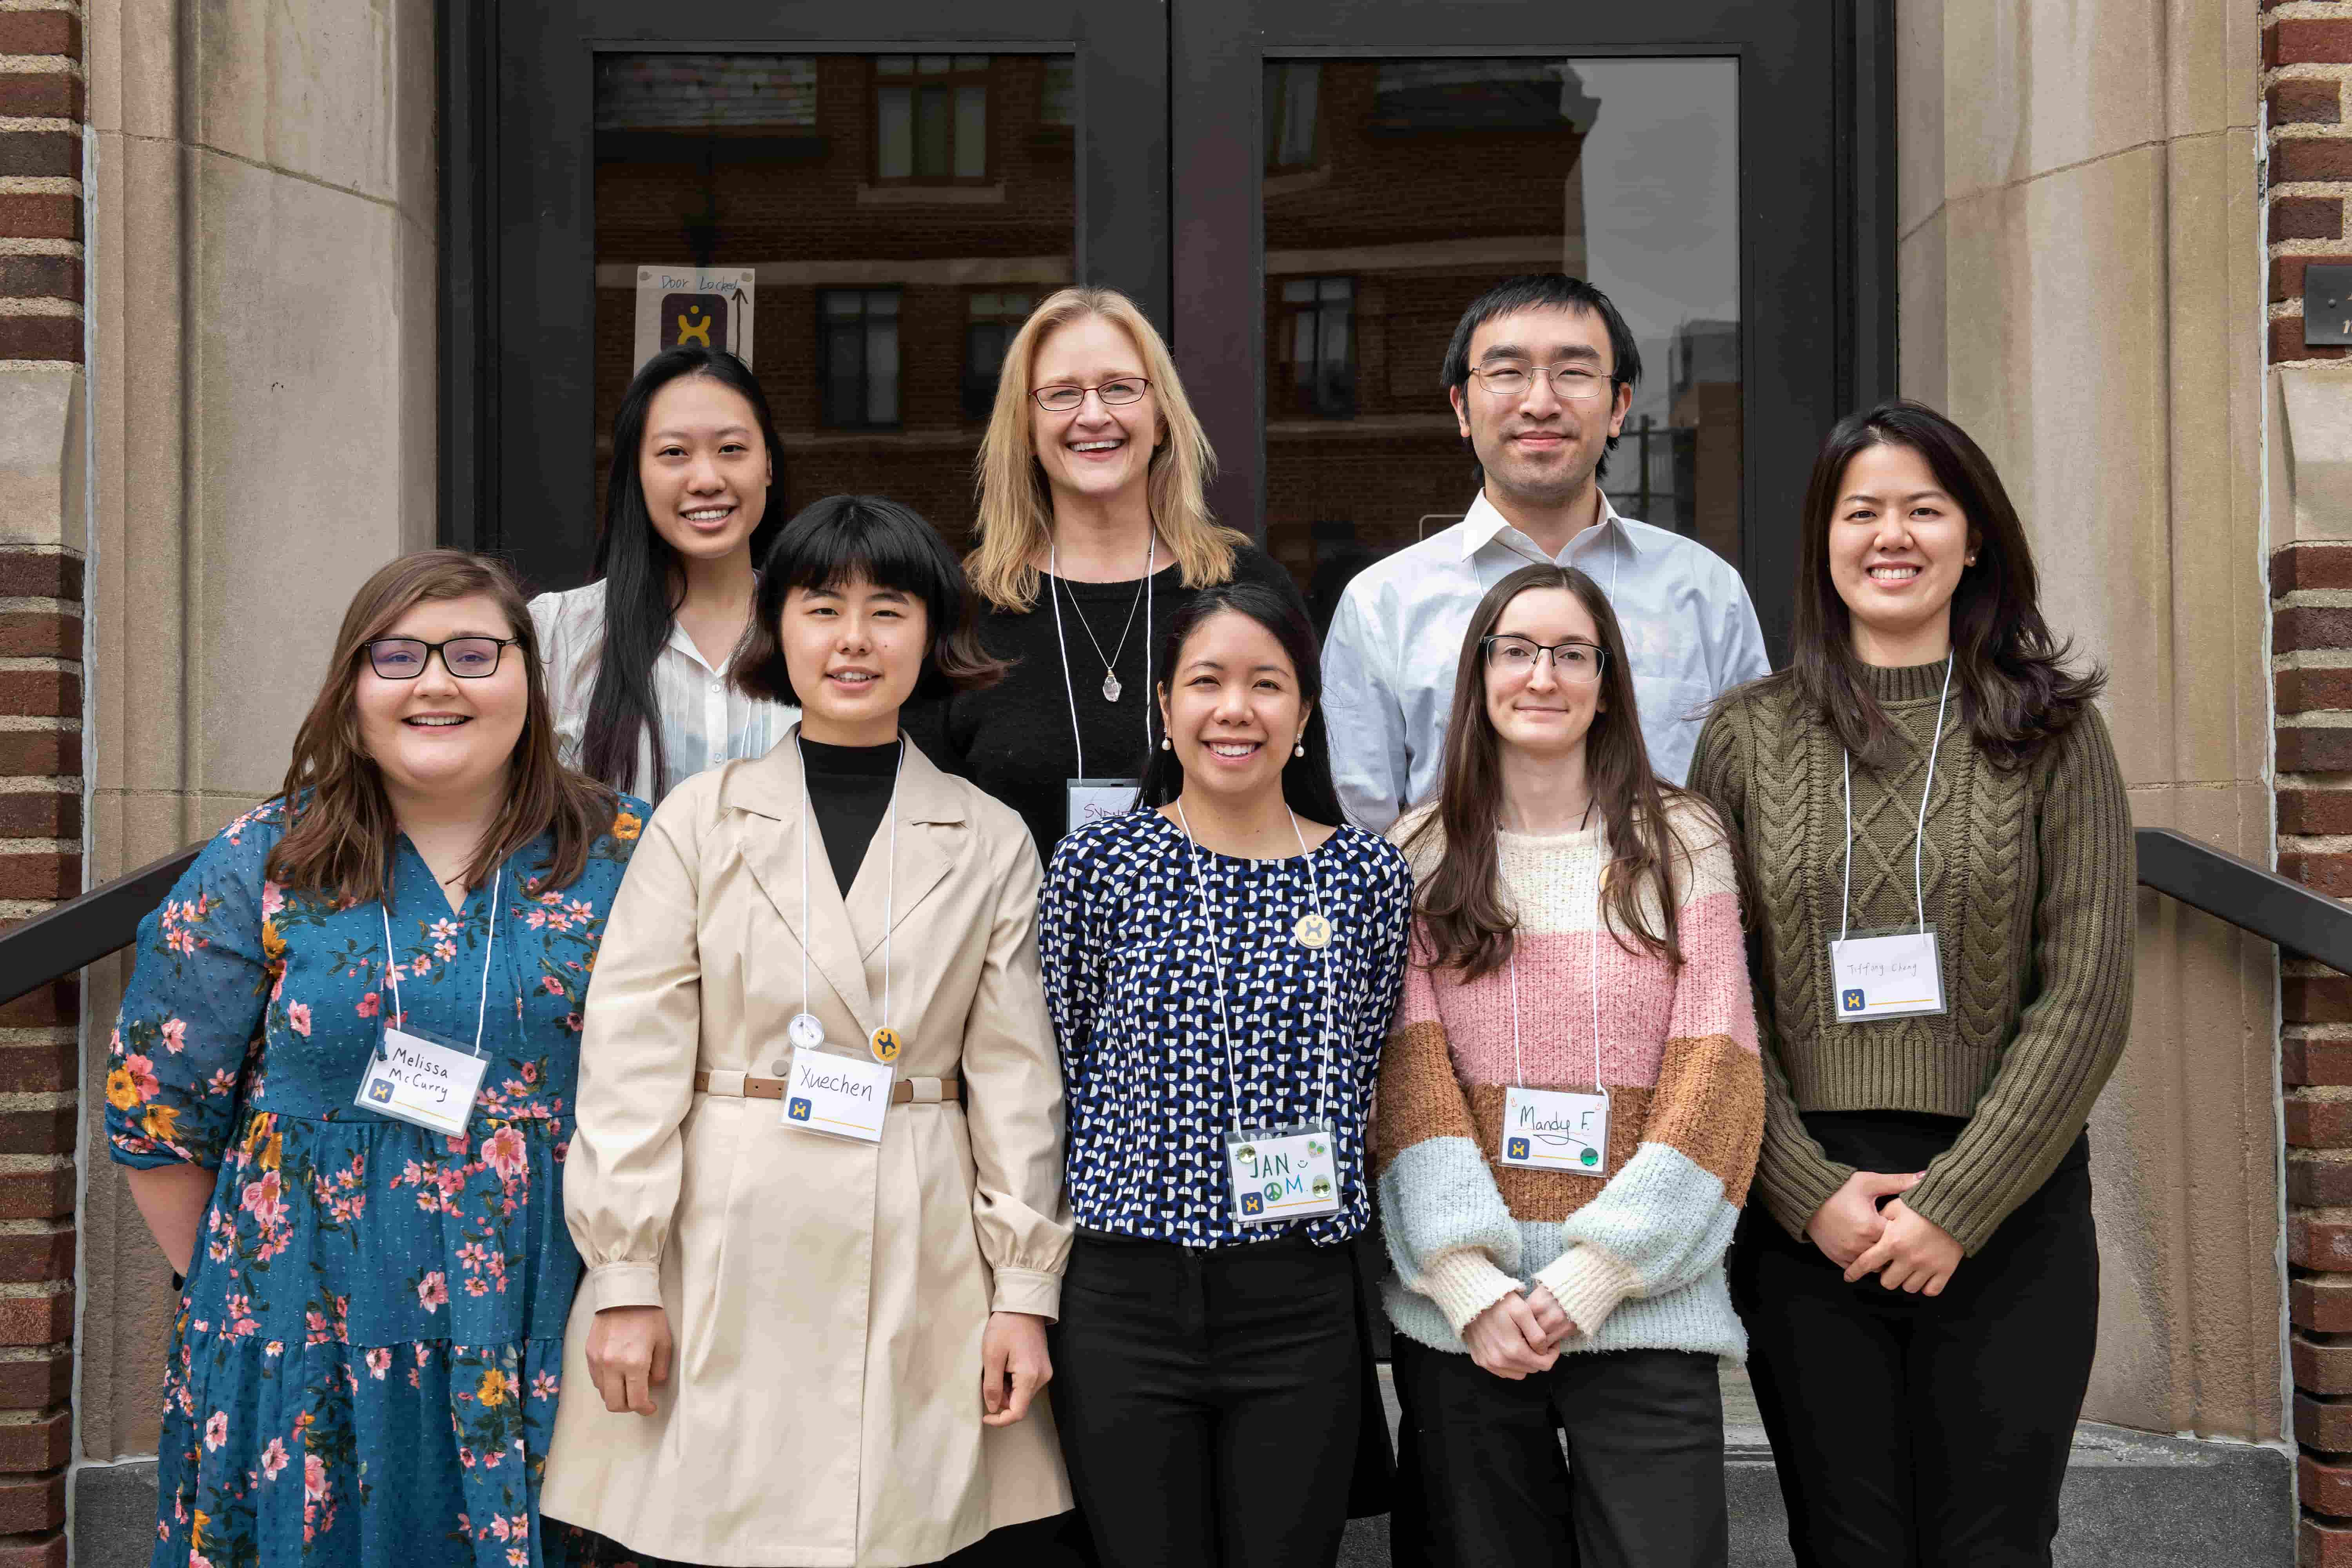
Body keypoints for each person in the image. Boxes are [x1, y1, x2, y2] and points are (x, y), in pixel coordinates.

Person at [542, 495, 1073, 1568]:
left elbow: (1018, 1084)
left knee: (897, 1532)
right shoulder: (701, 818)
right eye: (822, 607)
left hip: (919, 1235)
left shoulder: (988, 839)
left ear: (933, 634)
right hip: (722, 1231)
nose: (855, 640)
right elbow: (632, 1060)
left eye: (889, 610)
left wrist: (1023, 1293)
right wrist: (627, 1276)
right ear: (776, 627)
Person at [104, 551, 645, 1567]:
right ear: (352, 689)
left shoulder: (619, 855)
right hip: (298, 1340)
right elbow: (156, 1118)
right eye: (398, 656)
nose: (437, 681)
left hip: (537, 1330)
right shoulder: (265, 861)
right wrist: (250, 1296)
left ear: (529, 681)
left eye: (474, 654)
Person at [1688, 401, 2132, 1566]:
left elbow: (2083, 990)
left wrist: (1956, 1203)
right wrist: (1802, 1192)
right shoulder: (1743, 737)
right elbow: (1709, 1001)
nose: (1891, 535)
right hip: (1803, 1222)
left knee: (1993, 1544)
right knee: (1845, 1543)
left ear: (1973, 537)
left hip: (2008, 1213)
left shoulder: (2053, 733)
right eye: (1861, 510)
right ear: (1822, 540)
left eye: (1923, 509)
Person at [1374, 561, 1763, 1566]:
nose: (1541, 675)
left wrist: (1597, 1274)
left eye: (1570, 653)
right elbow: (1406, 1088)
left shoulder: (1682, 841)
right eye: (1516, 650)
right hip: (1468, 1327)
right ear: (1479, 674)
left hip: (1646, 1311)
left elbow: (1716, 1074)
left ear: (1606, 680)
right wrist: (1465, 1283)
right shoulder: (1416, 854)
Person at [1038, 582, 1413, 1568]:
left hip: (1298, 1300)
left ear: (1305, 711)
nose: (1234, 709)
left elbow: (1371, 1053)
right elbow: (1068, 1054)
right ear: (1164, 705)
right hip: (1126, 1295)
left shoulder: (1367, 877)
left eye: (1266, 683)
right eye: (1206, 681)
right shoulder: (1098, 864)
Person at [1321, 274, 1771, 829]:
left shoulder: (1706, 591)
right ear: (1461, 407)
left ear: (1619, 406)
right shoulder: (1382, 605)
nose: (1540, 402)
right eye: (1507, 373)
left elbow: (1752, 810)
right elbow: (1364, 835)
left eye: (1574, 374)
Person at [909, 285, 1308, 858]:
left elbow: (1305, 800)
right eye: (1062, 394)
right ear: (1024, 427)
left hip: (1219, 945)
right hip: (1010, 947)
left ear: (1163, 418)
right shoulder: (963, 608)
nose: (1093, 416)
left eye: (1120, 389)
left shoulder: (1248, 589)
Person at [531, 345, 798, 804]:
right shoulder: (560, 633)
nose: (706, 478)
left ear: (768, 463)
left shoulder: (818, 629)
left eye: (731, 449)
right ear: (636, 472)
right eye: (674, 452)